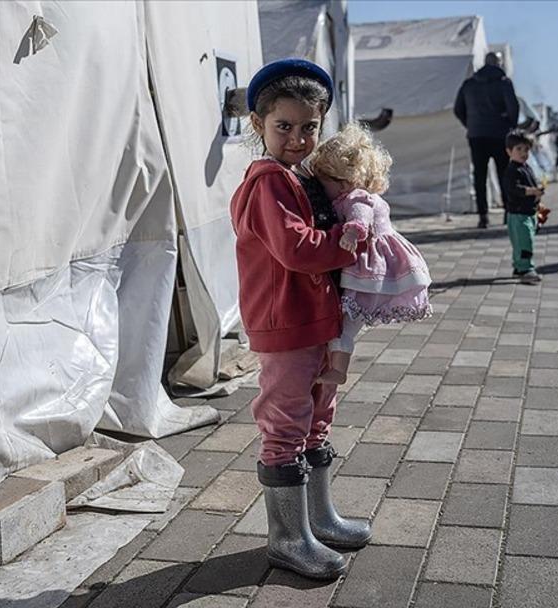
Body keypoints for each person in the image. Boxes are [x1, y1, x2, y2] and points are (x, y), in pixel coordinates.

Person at [230, 58, 371, 581]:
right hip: (285, 322)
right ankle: (288, 538)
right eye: (283, 126)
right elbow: (295, 249)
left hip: (315, 319)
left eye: (309, 127)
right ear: (258, 125)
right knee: (285, 423)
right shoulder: (267, 181)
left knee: (318, 415)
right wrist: (347, 245)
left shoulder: (300, 176)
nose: (296, 138)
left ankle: (319, 519)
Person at [301, 123, 432, 386]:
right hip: (378, 265)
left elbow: (360, 219)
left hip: (371, 268)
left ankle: (338, 369)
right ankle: (337, 366)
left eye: (322, 181)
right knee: (348, 321)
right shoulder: (355, 193)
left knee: (346, 321)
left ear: (342, 182)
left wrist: (351, 233)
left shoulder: (357, 197)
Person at [454, 52, 519, 228]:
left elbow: (458, 109)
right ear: (499, 64)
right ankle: (508, 212)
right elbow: (513, 107)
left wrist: (470, 124)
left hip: (477, 135)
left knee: (480, 176)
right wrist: (511, 125)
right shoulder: (504, 83)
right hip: (499, 134)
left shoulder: (469, 84)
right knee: (504, 174)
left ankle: (483, 216)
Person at [501, 130, 544, 284]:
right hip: (518, 215)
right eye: (518, 149)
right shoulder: (512, 171)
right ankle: (526, 268)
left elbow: (530, 184)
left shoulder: (526, 167)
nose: (523, 153)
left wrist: (537, 193)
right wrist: (532, 191)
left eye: (526, 149)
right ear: (509, 151)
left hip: (528, 212)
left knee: (524, 241)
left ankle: (519, 268)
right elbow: (514, 189)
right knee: (524, 242)